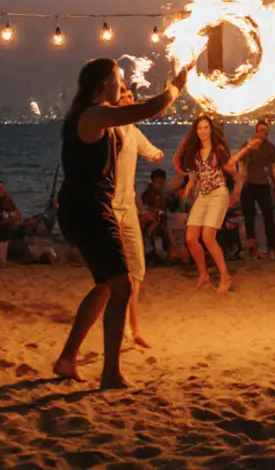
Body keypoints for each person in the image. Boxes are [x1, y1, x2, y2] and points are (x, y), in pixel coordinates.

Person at [53, 57, 185, 390]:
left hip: (86, 207)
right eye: (117, 78)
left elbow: (134, 120)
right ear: (102, 85)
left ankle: (67, 359)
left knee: (106, 285)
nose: (122, 82)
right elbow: (146, 109)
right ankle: (110, 373)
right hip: (88, 209)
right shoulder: (95, 113)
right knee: (122, 285)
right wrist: (176, 87)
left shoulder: (96, 115)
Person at [112, 84, 166, 348]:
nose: (128, 98)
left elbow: (151, 151)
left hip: (129, 209)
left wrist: (158, 155)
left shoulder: (133, 131)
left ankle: (135, 329)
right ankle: (121, 327)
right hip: (109, 209)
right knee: (116, 274)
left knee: (137, 270)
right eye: (122, 95)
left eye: (131, 96)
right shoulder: (109, 129)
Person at [174, 115, 237, 293]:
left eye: (206, 128)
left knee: (208, 236)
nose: (203, 131)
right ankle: (204, 274)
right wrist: (188, 187)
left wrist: (236, 185)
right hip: (203, 196)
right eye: (199, 128)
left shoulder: (218, 150)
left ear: (211, 129)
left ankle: (225, 276)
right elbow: (194, 176)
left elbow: (230, 169)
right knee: (191, 238)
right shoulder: (195, 153)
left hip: (218, 194)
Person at [230, 120, 275, 259]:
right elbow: (240, 161)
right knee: (249, 217)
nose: (261, 133)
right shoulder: (249, 145)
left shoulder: (270, 148)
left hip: (262, 184)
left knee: (268, 217)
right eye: (259, 130)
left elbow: (271, 168)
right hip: (249, 185)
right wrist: (238, 184)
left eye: (264, 130)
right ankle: (253, 249)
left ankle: (272, 249)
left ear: (267, 132)